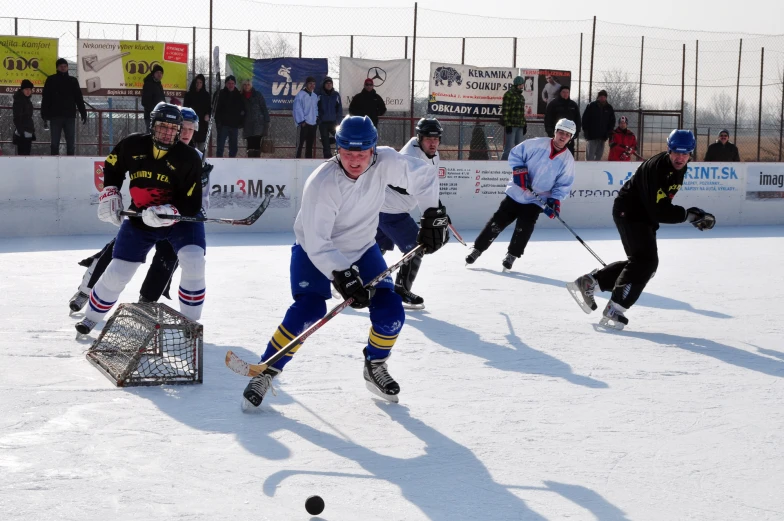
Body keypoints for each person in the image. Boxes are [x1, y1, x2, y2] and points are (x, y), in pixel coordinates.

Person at [241, 115, 450, 410]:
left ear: (373, 150)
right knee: (308, 310)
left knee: (391, 310)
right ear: (337, 149)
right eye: (348, 153)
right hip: (315, 250)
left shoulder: (386, 161)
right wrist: (343, 274)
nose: (355, 160)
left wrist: (432, 213)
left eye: (362, 153)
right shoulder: (323, 183)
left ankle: (375, 364)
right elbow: (317, 240)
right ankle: (267, 370)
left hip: (362, 249)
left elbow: (423, 175)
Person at [74, 102, 205, 336]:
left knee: (194, 261)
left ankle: (190, 323)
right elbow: (112, 167)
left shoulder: (189, 158)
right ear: (152, 125)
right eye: (163, 126)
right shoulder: (132, 144)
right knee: (119, 271)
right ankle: (91, 317)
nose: (168, 132)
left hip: (181, 221)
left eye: (173, 128)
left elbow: (192, 202)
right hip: (140, 216)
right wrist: (111, 191)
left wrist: (170, 211)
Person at [566, 130, 715, 330]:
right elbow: (658, 209)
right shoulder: (658, 168)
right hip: (630, 212)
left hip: (642, 214)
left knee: (641, 263)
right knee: (646, 262)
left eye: (685, 153)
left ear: (691, 153)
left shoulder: (679, 168)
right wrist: (688, 215)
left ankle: (590, 282)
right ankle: (614, 309)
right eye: (676, 152)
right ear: (669, 150)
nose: (680, 157)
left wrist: (688, 215)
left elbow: (660, 205)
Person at [465, 119, 576, 271]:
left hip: (537, 200)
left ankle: (512, 255)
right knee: (497, 222)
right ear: (555, 132)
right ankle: (477, 249)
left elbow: (563, 183)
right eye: (561, 132)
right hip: (517, 192)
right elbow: (516, 154)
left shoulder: (567, 160)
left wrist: (554, 201)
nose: (563, 137)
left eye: (567, 135)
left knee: (524, 228)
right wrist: (519, 170)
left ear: (571, 138)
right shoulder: (536, 144)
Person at [374, 117, 443, 310]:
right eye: (429, 138)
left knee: (376, 248)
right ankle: (401, 290)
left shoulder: (432, 154)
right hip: (391, 211)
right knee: (416, 248)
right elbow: (417, 189)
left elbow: (429, 185)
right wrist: (434, 213)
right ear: (419, 138)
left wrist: (438, 207)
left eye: (436, 138)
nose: (433, 143)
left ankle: (356, 276)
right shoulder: (409, 156)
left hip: (386, 209)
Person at [41, 58, 86, 156]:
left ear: (68, 67)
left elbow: (79, 98)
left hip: (69, 116)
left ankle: (70, 164)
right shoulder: (51, 80)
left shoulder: (73, 81)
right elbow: (46, 98)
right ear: (57, 68)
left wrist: (83, 112)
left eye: (65, 66)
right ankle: (54, 164)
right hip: (55, 116)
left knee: (71, 144)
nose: (63, 68)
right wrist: (44, 114)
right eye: (61, 66)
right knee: (54, 143)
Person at [544, 86, 581, 155]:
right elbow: (548, 119)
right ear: (560, 93)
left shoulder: (573, 105)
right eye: (563, 92)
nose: (565, 94)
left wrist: (576, 132)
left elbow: (578, 120)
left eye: (567, 92)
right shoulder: (553, 104)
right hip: (556, 135)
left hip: (569, 136)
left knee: (568, 153)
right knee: (554, 153)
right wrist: (550, 132)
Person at [215, 75, 244, 158]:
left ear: (234, 84)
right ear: (225, 84)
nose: (231, 85)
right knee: (220, 147)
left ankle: (232, 163)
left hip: (234, 125)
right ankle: (219, 162)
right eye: (229, 83)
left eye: (232, 83)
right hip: (223, 125)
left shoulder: (238, 94)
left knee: (233, 147)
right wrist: (218, 123)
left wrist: (240, 122)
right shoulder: (220, 94)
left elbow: (242, 109)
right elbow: (216, 110)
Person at [581, 90, 615, 161]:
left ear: (606, 98)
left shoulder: (609, 108)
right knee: (590, 157)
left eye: (604, 97)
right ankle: (588, 170)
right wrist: (586, 132)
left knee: (599, 157)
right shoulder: (591, 106)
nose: (602, 98)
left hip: (603, 137)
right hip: (591, 136)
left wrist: (608, 133)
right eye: (601, 96)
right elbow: (585, 120)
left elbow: (612, 122)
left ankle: (596, 171)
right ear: (598, 97)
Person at [241, 79, 270, 158]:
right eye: (245, 85)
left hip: (258, 123)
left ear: (251, 85)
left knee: (257, 144)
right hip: (247, 124)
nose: (246, 86)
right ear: (243, 86)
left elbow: (263, 107)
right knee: (250, 144)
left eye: (248, 84)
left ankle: (257, 161)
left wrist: (267, 121)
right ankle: (250, 161)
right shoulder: (241, 97)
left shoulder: (257, 94)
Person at [500, 76, 527, 161]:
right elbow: (506, 110)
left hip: (520, 125)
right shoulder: (509, 94)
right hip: (511, 125)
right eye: (522, 84)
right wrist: (507, 124)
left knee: (519, 146)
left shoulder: (521, 97)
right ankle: (503, 164)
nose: (523, 85)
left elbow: (521, 112)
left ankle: (517, 164)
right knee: (509, 147)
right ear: (519, 84)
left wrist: (524, 123)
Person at [184, 74, 212, 150]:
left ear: (203, 84)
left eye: (200, 82)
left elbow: (209, 108)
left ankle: (200, 161)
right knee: (190, 146)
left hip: (202, 124)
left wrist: (208, 115)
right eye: (197, 82)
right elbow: (185, 108)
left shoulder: (206, 95)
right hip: (191, 123)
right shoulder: (189, 95)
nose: (198, 84)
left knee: (201, 147)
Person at [317, 76, 343, 158]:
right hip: (323, 122)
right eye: (327, 83)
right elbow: (315, 107)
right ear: (324, 85)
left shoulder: (336, 95)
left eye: (330, 83)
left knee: (339, 139)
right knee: (325, 142)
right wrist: (319, 119)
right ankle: (327, 158)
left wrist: (338, 121)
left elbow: (339, 109)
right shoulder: (320, 95)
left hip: (333, 122)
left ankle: (338, 155)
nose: (329, 85)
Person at [293, 76, 318, 158]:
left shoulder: (314, 96)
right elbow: (297, 108)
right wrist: (301, 121)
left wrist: (316, 117)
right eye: (310, 83)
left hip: (313, 123)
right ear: (306, 84)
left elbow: (315, 108)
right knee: (300, 144)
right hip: (304, 123)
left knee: (309, 145)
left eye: (314, 84)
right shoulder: (300, 95)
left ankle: (308, 160)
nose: (312, 85)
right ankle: (297, 160)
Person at [12, 79, 35, 156]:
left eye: (29, 89)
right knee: (23, 154)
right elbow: (17, 117)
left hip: (27, 130)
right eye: (26, 89)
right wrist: (21, 131)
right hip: (23, 131)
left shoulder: (26, 100)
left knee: (25, 154)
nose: (28, 91)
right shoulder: (20, 100)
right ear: (22, 90)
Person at [141, 64, 165, 129]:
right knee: (150, 134)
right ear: (153, 74)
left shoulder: (159, 84)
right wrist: (155, 111)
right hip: (150, 116)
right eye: (157, 72)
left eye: (161, 73)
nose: (159, 74)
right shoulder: (148, 84)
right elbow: (145, 102)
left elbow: (161, 99)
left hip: (159, 115)